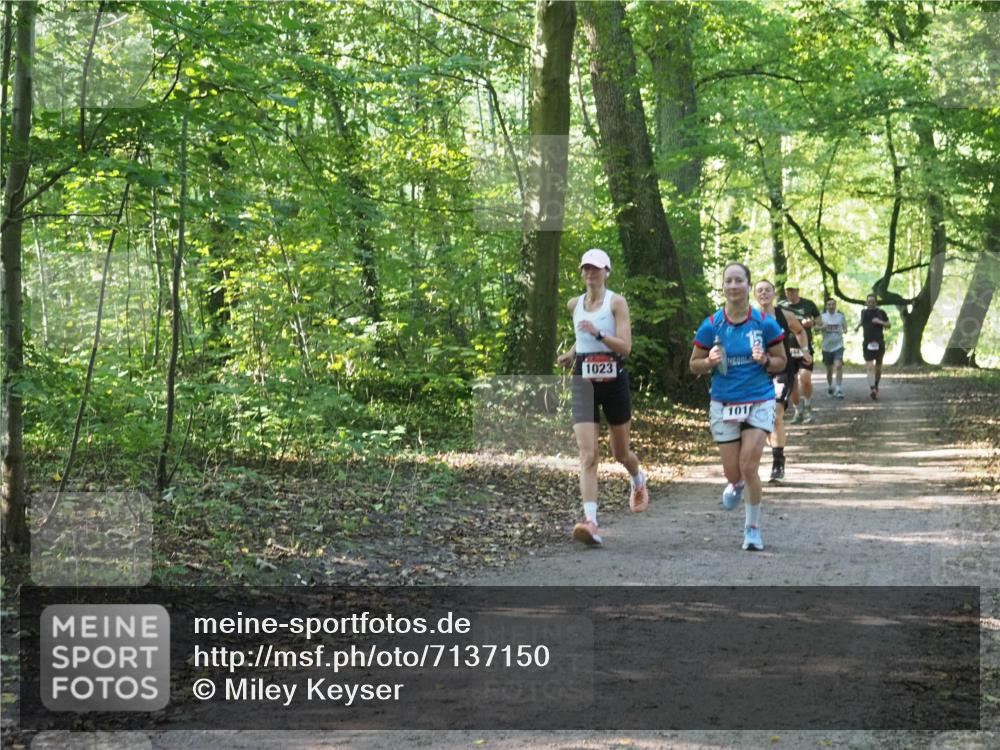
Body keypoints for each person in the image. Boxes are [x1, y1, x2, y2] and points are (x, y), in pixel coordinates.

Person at [556, 248, 649, 546]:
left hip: (613, 379)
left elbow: (625, 347)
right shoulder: (574, 304)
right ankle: (591, 522)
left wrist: (598, 336)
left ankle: (638, 480)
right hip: (583, 379)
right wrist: (572, 353)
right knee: (588, 456)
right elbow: (581, 333)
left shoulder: (616, 303)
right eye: (586, 268)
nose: (590, 273)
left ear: (607, 271)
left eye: (596, 268)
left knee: (620, 452)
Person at [691, 263, 786, 551]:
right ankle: (737, 484)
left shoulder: (764, 322)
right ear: (723, 286)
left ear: (748, 285)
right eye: (728, 281)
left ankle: (752, 529)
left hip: (759, 398)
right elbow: (693, 364)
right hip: (724, 402)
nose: (733, 286)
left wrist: (765, 361)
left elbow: (781, 361)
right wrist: (708, 362)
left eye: (739, 280)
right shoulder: (711, 324)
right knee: (734, 473)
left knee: (749, 465)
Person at [754, 279, 811, 482]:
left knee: (776, 413)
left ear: (774, 294)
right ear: (754, 295)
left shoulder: (784, 315)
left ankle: (778, 464)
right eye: (759, 290)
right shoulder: (748, 318)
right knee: (765, 419)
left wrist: (804, 350)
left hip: (781, 370)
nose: (764, 293)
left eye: (767, 290)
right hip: (756, 373)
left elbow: (800, 331)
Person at [778, 284, 820, 424]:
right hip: (787, 349)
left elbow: (820, 323)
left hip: (804, 348)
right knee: (793, 382)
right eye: (788, 291)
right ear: (785, 292)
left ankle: (808, 407)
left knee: (805, 379)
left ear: (798, 291)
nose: (791, 293)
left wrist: (812, 323)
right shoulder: (780, 306)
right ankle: (798, 410)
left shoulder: (808, 304)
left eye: (793, 290)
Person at [855, 293, 891, 400]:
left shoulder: (881, 312)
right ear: (866, 302)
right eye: (869, 302)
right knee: (869, 366)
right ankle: (872, 389)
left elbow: (889, 324)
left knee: (878, 368)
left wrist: (879, 322)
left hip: (879, 342)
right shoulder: (863, 312)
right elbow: (862, 321)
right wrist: (857, 327)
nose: (871, 304)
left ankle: (876, 385)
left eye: (873, 302)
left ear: (876, 302)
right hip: (867, 342)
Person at [819, 297, 848, 398]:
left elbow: (845, 327)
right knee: (829, 370)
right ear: (826, 306)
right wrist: (822, 328)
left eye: (833, 304)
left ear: (835, 305)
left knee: (838, 366)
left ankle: (839, 388)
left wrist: (844, 330)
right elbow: (815, 327)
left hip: (838, 346)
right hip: (826, 347)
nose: (831, 306)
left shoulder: (840, 316)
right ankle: (830, 386)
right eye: (829, 304)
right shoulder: (822, 317)